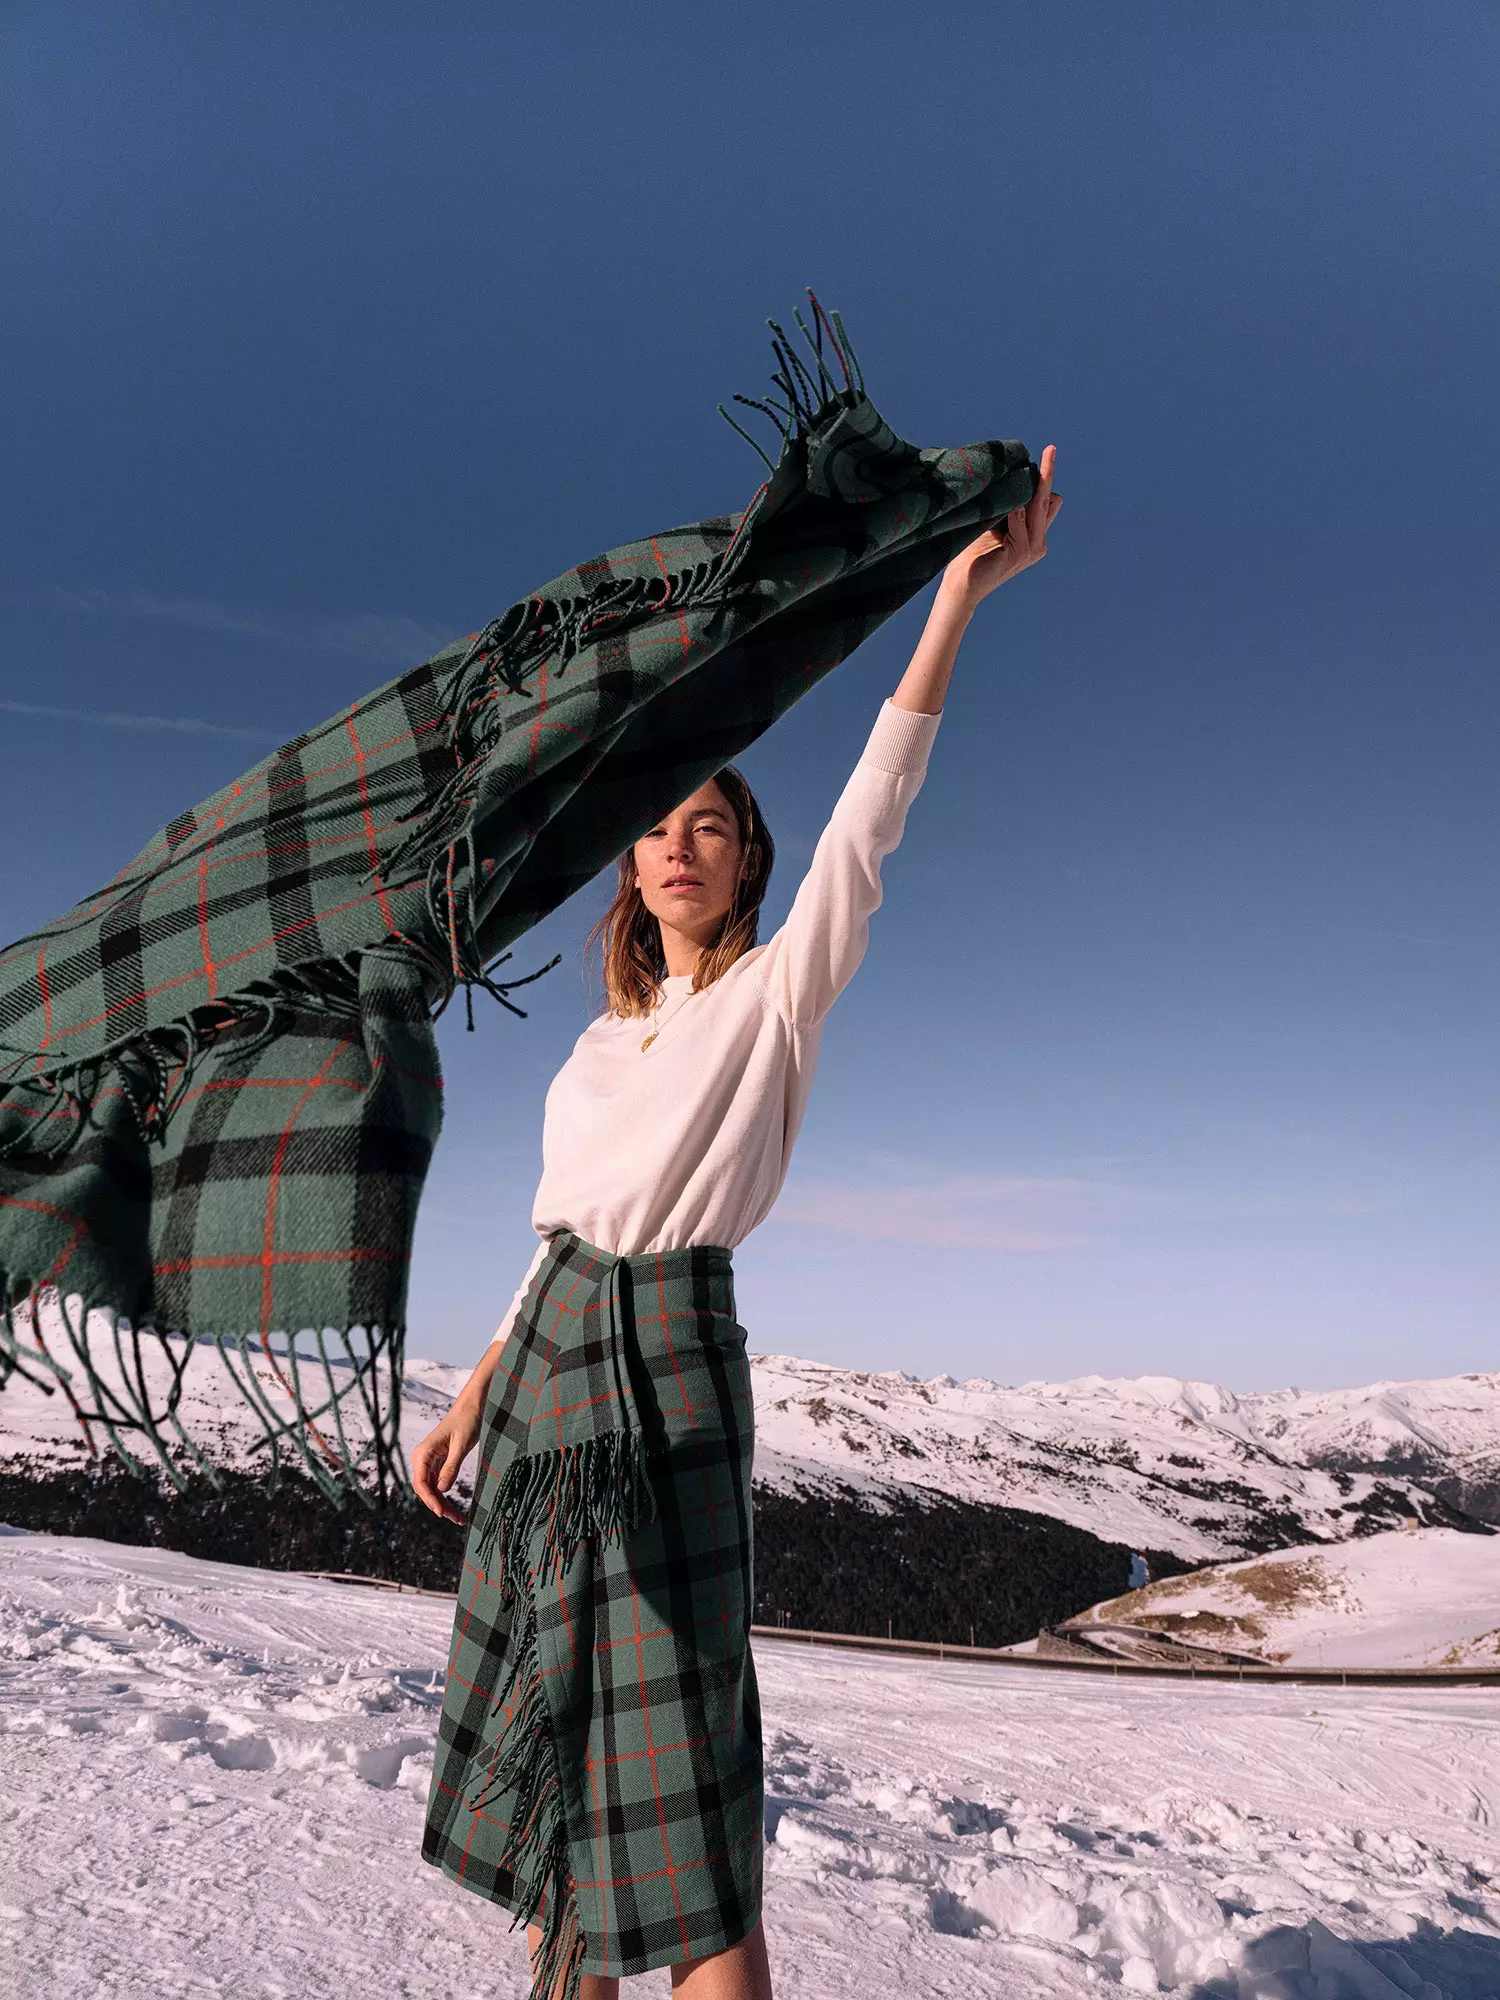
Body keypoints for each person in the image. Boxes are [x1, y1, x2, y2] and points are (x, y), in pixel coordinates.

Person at [413, 450, 1062, 2000]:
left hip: (674, 1362)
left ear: (746, 860)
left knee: (681, 1730)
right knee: (562, 1721)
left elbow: (871, 822)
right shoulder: (592, 1051)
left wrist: (957, 596)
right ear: (631, 869)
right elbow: (556, 1228)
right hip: (555, 1357)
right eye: (657, 828)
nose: (680, 844)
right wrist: (478, 1384)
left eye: (710, 824)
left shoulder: (776, 999)